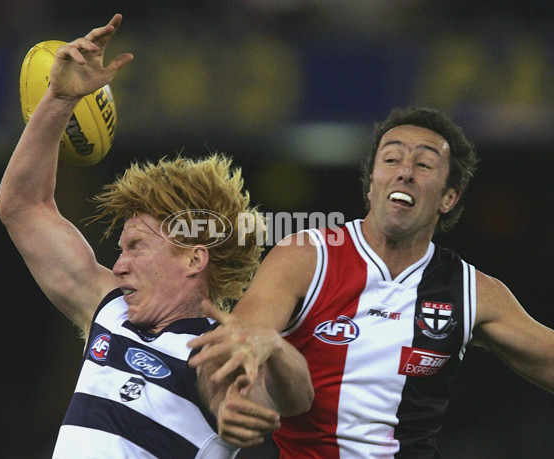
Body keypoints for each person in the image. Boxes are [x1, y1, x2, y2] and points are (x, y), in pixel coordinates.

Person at [0, 14, 313, 458]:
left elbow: (297, 398)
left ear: (193, 259)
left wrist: (274, 350)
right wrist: (60, 98)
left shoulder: (216, 351)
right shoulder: (109, 309)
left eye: (136, 247)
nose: (119, 263)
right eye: (122, 248)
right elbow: (22, 207)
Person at [188, 106, 554, 458]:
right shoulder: (306, 257)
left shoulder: (472, 291)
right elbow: (238, 341)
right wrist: (226, 401)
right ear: (371, 185)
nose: (405, 172)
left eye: (424, 164)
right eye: (391, 159)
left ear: (448, 198)